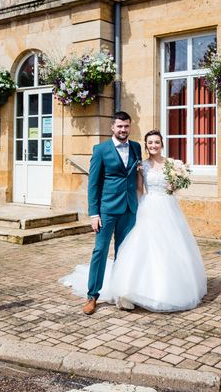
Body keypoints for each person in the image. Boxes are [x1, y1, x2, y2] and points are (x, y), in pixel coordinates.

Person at [61, 129, 207, 313]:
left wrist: (173, 186)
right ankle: (98, 294)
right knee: (109, 249)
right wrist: (100, 213)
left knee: (167, 249)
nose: (154, 145)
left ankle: (162, 289)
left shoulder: (172, 164)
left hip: (168, 208)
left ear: (162, 143)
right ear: (146, 146)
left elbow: (175, 186)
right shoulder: (141, 164)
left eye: (157, 142)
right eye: (150, 143)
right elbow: (138, 189)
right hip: (139, 207)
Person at [81, 111, 142, 315]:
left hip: (129, 208)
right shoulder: (100, 150)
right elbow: (93, 184)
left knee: (124, 253)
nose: (123, 130)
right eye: (119, 126)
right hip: (107, 210)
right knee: (100, 251)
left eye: (126, 126)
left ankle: (121, 292)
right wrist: (93, 213)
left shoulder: (136, 147)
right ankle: (92, 296)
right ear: (112, 128)